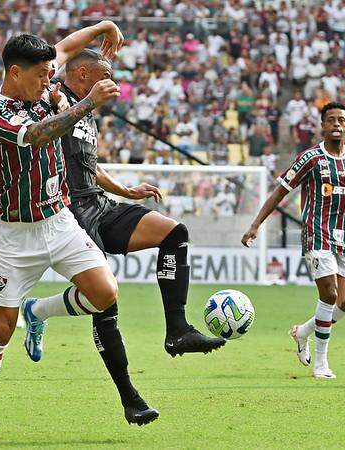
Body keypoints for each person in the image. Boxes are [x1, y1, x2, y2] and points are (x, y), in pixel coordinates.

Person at [0, 25, 125, 444]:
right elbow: (38, 135)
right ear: (15, 73)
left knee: (105, 293)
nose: (48, 80)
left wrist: (105, 26)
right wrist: (87, 103)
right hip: (15, 236)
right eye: (41, 75)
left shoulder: (38, 83)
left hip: (58, 219)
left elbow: (68, 47)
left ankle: (40, 313)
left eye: (50, 73)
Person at [57, 49, 225, 426]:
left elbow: (88, 165)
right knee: (105, 302)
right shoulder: (55, 98)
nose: (112, 84)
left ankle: (177, 330)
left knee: (174, 232)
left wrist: (127, 190)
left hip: (99, 205)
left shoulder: (87, 110)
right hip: (69, 214)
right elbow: (61, 49)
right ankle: (130, 398)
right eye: (106, 75)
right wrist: (103, 26)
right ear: (82, 74)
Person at [242, 102, 345, 379]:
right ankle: (321, 364)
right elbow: (280, 192)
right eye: (330, 120)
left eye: (340, 120)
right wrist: (255, 224)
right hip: (316, 235)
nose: (335, 124)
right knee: (330, 295)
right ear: (322, 125)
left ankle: (303, 331)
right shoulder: (310, 159)